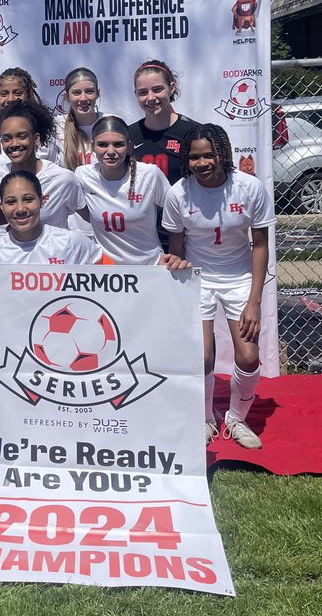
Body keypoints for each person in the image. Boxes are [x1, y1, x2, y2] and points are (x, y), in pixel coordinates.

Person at [163, 124, 274, 449]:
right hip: (198, 279)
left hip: (239, 278)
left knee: (249, 356)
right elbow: (177, 247)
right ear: (187, 160)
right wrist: (182, 291)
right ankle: (206, 419)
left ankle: (236, 419)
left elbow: (261, 245)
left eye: (209, 154)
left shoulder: (249, 188)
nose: (202, 163)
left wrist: (255, 300)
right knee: (202, 356)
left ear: (223, 154)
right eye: (194, 157)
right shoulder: (178, 193)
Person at [76, 116, 179, 266]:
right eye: (102, 145)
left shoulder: (150, 174)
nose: (110, 151)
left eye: (118, 144)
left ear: (129, 146)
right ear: (92, 147)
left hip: (151, 266)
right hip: (108, 271)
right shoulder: (82, 176)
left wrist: (175, 253)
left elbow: (177, 212)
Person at [0, 100, 85, 229]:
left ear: (36, 139)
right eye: (7, 139)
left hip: (55, 249)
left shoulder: (63, 179)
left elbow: (91, 219)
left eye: (22, 136)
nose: (14, 144)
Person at [0, 171, 110, 265]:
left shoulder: (71, 242)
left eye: (28, 199)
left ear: (42, 201)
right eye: (11, 202)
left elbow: (112, 274)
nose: (20, 209)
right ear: (2, 207)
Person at [128, 59, 196, 185]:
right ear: (135, 94)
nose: (151, 98)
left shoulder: (194, 133)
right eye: (143, 92)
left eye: (157, 89)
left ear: (171, 88)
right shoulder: (128, 135)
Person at [57, 67, 101, 170]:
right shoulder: (57, 126)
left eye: (89, 91)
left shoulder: (110, 123)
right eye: (76, 93)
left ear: (97, 93)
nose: (83, 98)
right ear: (66, 97)